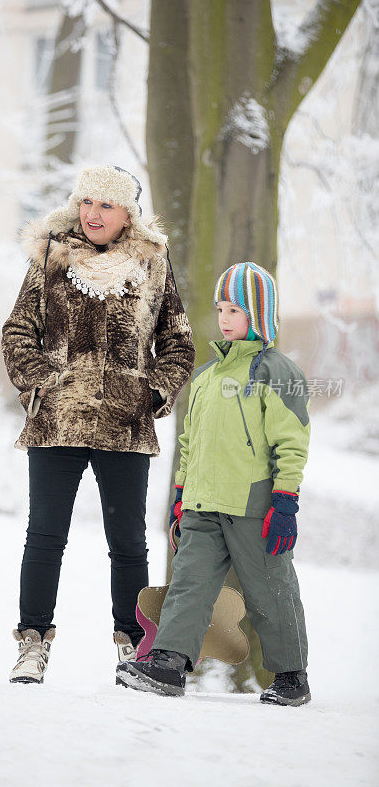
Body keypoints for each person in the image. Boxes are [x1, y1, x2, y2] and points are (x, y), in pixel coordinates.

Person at [1, 165, 195, 684]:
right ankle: (32, 643)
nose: (92, 213)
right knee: (44, 538)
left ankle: (134, 647)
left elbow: (177, 342)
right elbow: (19, 330)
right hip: (57, 423)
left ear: (127, 213)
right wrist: (43, 382)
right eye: (86, 202)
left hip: (124, 425)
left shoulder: (154, 263)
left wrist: (152, 393)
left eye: (105, 205)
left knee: (129, 543)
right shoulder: (51, 256)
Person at [116, 261, 312, 706]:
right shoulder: (205, 377)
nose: (224, 319)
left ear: (259, 315)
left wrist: (285, 501)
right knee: (190, 583)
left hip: (253, 506)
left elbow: (292, 441)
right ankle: (168, 662)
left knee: (269, 589)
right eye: (220, 309)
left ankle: (291, 675)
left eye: (235, 311)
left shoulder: (277, 373)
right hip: (203, 504)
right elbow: (190, 442)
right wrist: (182, 495)